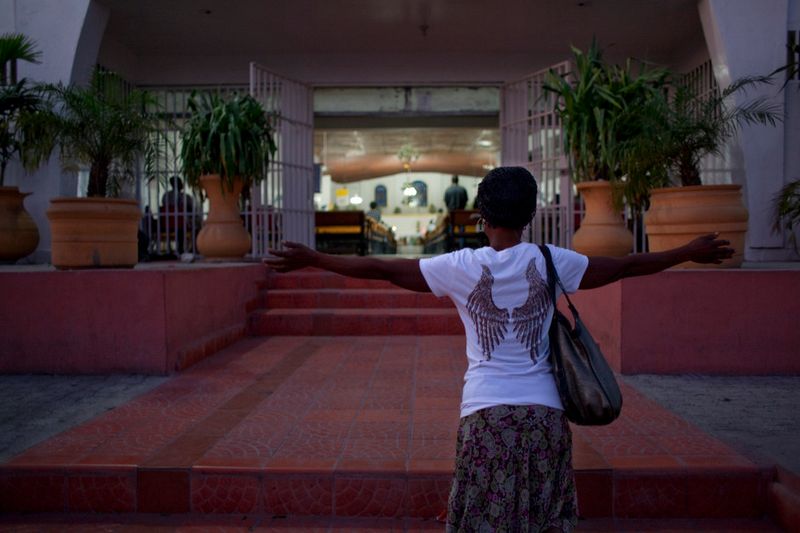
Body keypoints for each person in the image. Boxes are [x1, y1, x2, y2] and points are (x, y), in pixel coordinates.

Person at [263, 166, 733, 532]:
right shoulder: (553, 261)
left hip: (484, 415)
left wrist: (314, 258)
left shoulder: (462, 266)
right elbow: (625, 266)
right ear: (530, 217)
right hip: (546, 415)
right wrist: (686, 251)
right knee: (545, 515)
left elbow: (383, 269)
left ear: (480, 217)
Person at [159, 176, 195, 254]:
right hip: (181, 225)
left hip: (167, 225)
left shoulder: (166, 196)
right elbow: (191, 211)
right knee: (194, 227)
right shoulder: (186, 197)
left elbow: (164, 209)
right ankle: (192, 249)